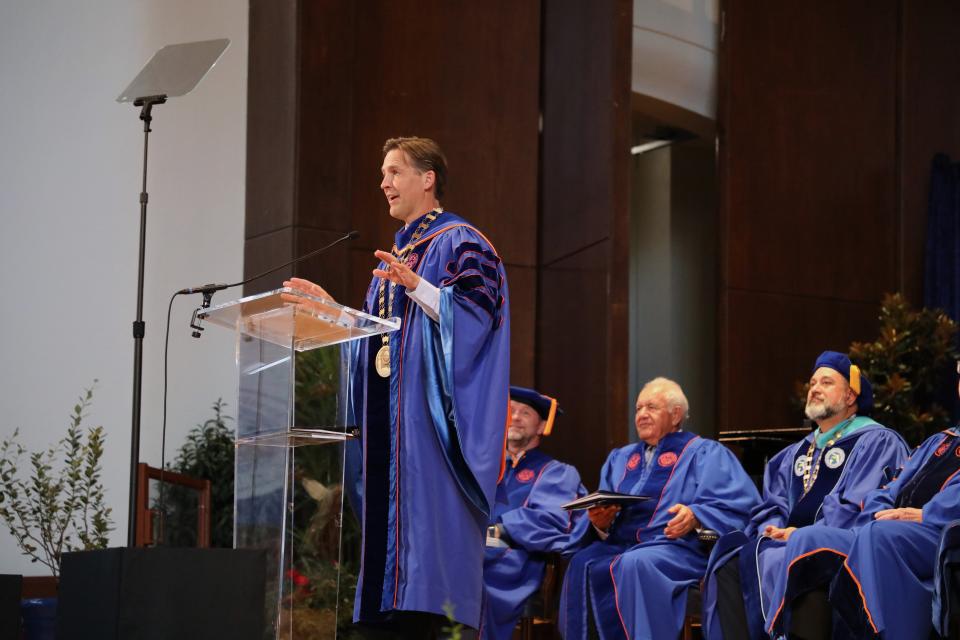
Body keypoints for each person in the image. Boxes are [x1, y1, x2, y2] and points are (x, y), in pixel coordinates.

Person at [284, 136, 510, 636]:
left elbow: (478, 317)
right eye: (382, 174)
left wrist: (422, 289)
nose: (383, 183)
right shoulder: (396, 258)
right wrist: (333, 313)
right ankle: (389, 609)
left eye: (394, 171)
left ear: (427, 179)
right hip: (392, 427)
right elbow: (382, 342)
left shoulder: (462, 242)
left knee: (432, 527)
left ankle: (432, 612)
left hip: (431, 425)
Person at [700, 351, 908, 640]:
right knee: (729, 559)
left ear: (850, 396)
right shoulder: (792, 454)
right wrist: (771, 528)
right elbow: (772, 504)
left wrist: (804, 532)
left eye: (826, 382)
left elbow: (862, 503)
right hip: (785, 542)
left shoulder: (877, 441)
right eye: (812, 383)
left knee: (794, 553)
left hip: (838, 544)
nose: (815, 388)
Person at [766, 362, 960, 639]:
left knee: (878, 535)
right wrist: (880, 510)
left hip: (938, 534)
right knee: (807, 538)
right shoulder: (940, 441)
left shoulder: (877, 438)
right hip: (886, 527)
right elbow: (891, 484)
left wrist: (925, 514)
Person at [557, 377, 759, 640]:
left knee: (634, 564)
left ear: (676, 415)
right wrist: (600, 523)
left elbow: (740, 506)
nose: (641, 415)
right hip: (622, 545)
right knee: (582, 562)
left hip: (679, 548)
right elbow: (602, 507)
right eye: (638, 408)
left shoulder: (705, 453)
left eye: (651, 407)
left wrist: (696, 516)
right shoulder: (621, 458)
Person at [481, 386, 586, 640]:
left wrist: (489, 534)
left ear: (541, 426)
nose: (515, 417)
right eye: (510, 411)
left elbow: (548, 521)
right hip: (473, 550)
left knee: (467, 573)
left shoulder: (556, 472)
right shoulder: (481, 465)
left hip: (517, 561)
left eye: (525, 413)